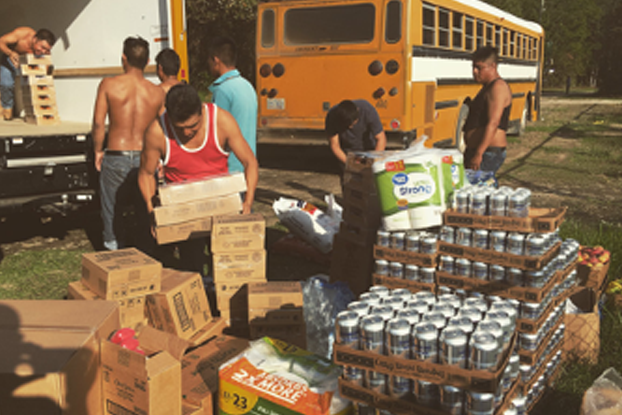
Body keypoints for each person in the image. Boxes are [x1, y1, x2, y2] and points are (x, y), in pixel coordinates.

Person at [138, 83, 258, 278]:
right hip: (184, 212)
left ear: (202, 110)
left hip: (222, 207)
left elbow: (250, 162)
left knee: (228, 269)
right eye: (180, 127)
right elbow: (145, 174)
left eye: (193, 126)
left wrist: (248, 202)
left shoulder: (222, 121)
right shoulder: (157, 131)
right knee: (191, 271)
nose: (186, 133)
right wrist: (152, 212)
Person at [92, 36, 165, 251]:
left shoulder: (109, 84)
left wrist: (97, 150)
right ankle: (146, 249)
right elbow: (162, 129)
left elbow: (98, 123)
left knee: (111, 209)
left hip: (116, 154)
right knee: (145, 206)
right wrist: (161, 157)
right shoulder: (157, 92)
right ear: (148, 60)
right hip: (145, 156)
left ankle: (113, 249)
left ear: (124, 58)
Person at [207, 36, 258, 174]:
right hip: (248, 164)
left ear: (216, 60)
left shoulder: (223, 90)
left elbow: (217, 132)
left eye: (209, 61)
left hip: (230, 167)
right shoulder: (247, 86)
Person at [463, 46, 512, 174]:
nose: (474, 71)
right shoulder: (487, 87)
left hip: (488, 152)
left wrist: (479, 153)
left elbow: (493, 123)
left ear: (493, 67)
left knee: (478, 191)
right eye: (473, 67)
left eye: (479, 68)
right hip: (481, 151)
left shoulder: (498, 87)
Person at [0, 27, 56, 120]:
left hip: (29, 62)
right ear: (34, 39)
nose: (43, 51)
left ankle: (37, 112)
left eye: (46, 50)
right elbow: (1, 41)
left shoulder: (43, 52)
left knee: (39, 83)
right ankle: (7, 108)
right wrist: (10, 53)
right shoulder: (22, 34)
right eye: (42, 47)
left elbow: (46, 67)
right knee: (6, 83)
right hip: (11, 58)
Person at [325, 99, 387, 176]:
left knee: (370, 183)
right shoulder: (332, 117)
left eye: (353, 124)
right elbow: (335, 145)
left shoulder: (367, 110)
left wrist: (374, 162)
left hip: (368, 149)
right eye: (347, 126)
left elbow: (381, 138)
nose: (351, 127)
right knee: (350, 182)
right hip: (347, 152)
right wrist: (351, 164)